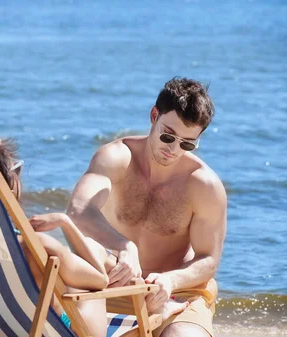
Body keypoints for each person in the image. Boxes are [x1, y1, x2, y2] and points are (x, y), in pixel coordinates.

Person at [0, 127, 189, 337]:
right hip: (71, 332)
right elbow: (99, 281)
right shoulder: (36, 245)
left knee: (80, 262)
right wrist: (66, 223)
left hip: (1, 329)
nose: (19, 176)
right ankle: (156, 304)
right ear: (6, 185)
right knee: (91, 259)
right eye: (16, 170)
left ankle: (151, 298)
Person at [66, 77, 226, 337]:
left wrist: (170, 280)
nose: (173, 150)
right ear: (154, 116)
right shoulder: (117, 158)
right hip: (118, 286)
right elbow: (78, 210)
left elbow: (209, 259)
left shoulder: (203, 185)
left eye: (187, 144)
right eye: (168, 136)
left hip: (179, 292)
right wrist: (124, 246)